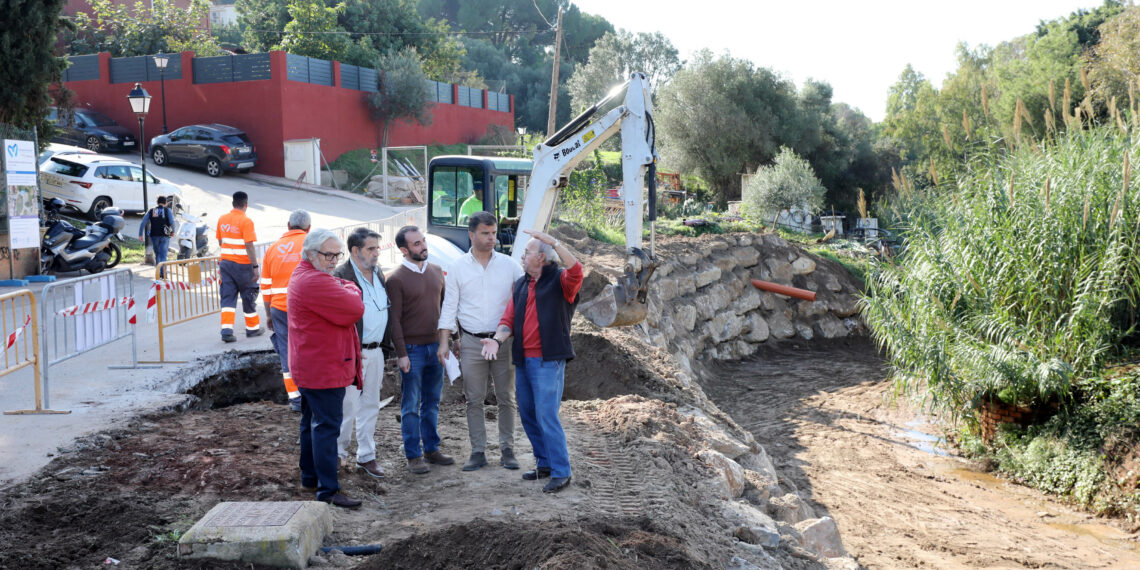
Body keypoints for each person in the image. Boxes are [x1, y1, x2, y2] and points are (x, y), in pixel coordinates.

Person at [483, 230, 582, 494]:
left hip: (548, 361)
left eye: (527, 252)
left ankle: (562, 471)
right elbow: (508, 319)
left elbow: (577, 271)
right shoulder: (521, 284)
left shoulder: (561, 281)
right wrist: (496, 340)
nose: (522, 257)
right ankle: (545, 463)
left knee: (546, 415)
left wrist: (555, 243)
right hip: (524, 360)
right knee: (528, 413)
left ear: (541, 257)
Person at [437, 211, 524, 472]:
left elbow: (523, 300)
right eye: (485, 233)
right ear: (471, 235)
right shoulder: (458, 268)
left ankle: (507, 450)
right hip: (472, 342)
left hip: (503, 341)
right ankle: (478, 451)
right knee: (474, 399)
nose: (491, 238)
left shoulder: (510, 266)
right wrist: (444, 342)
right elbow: (449, 307)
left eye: (493, 233)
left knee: (506, 397)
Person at [288, 228, 365, 509]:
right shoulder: (315, 281)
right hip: (323, 368)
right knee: (326, 428)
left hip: (312, 365)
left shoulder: (306, 275)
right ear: (310, 253)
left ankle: (311, 478)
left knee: (312, 424)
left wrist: (344, 286)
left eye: (337, 255)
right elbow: (354, 307)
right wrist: (350, 288)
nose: (333, 261)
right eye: (328, 255)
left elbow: (345, 291)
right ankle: (328, 490)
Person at [387, 225, 455, 474]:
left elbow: (446, 309)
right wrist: (402, 354)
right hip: (412, 350)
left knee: (432, 402)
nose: (423, 246)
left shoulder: (436, 271)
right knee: (411, 404)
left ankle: (432, 449)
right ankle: (413, 455)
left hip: (436, 347)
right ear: (404, 250)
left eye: (423, 241)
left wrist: (453, 340)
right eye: (416, 243)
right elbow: (394, 320)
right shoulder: (395, 279)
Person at [333, 227, 392, 479]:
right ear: (355, 251)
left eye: (377, 248)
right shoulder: (340, 276)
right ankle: (337, 456)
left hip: (376, 351)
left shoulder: (378, 273)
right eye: (371, 248)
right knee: (347, 407)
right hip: (352, 354)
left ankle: (366, 456)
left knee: (370, 405)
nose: (377, 253)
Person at [260, 210, 310, 412]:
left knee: (287, 352)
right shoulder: (311, 244)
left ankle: (296, 399)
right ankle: (312, 395)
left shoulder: (272, 249)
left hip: (279, 308)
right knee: (310, 349)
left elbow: (265, 286)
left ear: (288, 225)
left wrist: (269, 314)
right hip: (307, 308)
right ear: (308, 228)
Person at [216, 191, 262, 342]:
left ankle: (226, 331)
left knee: (228, 297)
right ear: (246, 204)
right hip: (243, 266)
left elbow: (220, 241)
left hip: (226, 264)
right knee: (248, 295)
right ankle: (252, 328)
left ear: (233, 203)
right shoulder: (246, 221)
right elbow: (249, 245)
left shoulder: (222, 219)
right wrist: (255, 266)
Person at [138, 195, 174, 278]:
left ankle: (158, 273)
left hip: (154, 235)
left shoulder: (152, 211)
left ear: (157, 203)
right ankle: (164, 274)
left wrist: (140, 234)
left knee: (157, 254)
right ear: (165, 203)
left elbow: (143, 222)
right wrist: (173, 231)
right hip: (165, 236)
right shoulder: (167, 210)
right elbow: (172, 222)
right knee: (163, 255)